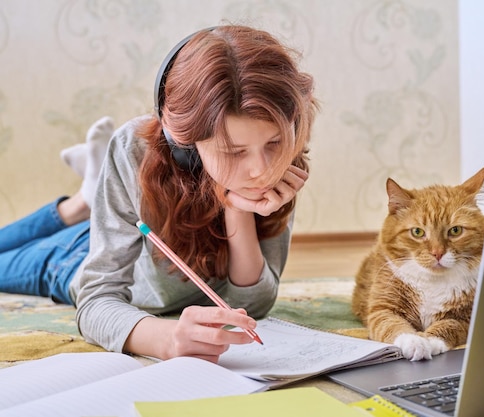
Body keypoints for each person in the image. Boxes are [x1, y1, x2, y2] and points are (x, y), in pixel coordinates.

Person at [0, 25, 318, 363]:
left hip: (132, 229)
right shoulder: (134, 149)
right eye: (235, 152)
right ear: (186, 147)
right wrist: (166, 340)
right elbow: (96, 300)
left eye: (273, 143)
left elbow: (253, 307)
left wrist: (234, 206)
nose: (261, 170)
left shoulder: (281, 159)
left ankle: (89, 198)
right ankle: (81, 205)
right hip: (76, 257)